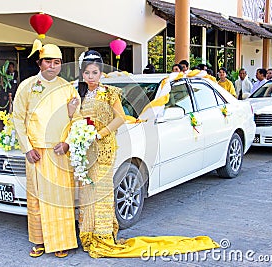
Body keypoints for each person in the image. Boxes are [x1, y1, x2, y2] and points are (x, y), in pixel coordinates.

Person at [69, 50, 218, 259]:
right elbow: (74, 119)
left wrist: (100, 133)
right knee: (87, 193)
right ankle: (88, 234)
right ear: (82, 74)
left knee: (102, 192)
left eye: (95, 72)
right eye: (87, 73)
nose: (91, 77)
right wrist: (73, 115)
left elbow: (120, 117)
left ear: (101, 73)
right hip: (86, 150)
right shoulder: (79, 95)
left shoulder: (111, 92)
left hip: (103, 147)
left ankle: (102, 236)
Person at [12, 40, 80, 258]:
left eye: (57, 62)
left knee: (61, 198)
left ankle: (62, 241)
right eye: (48, 61)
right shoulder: (27, 86)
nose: (53, 66)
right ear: (40, 63)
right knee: (37, 199)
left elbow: (77, 120)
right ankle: (39, 241)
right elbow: (18, 118)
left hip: (60, 153)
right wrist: (27, 148)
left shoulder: (68, 88)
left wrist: (68, 142)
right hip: (37, 154)